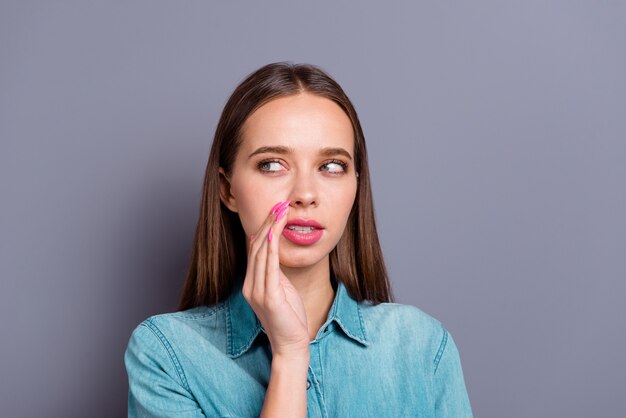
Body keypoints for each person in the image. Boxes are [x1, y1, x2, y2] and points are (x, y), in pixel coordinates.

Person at [124, 62, 473, 417]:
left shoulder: (422, 346)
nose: (305, 194)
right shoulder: (168, 353)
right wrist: (290, 356)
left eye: (331, 166)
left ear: (356, 183)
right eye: (273, 164)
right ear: (227, 189)